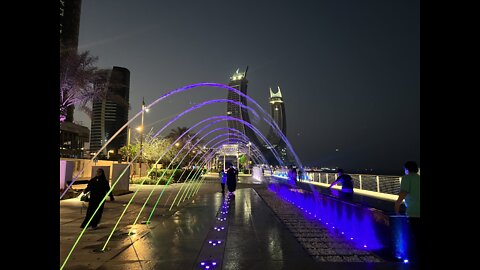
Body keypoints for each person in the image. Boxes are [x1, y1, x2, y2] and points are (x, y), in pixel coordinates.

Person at [395, 161, 421, 264]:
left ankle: (413, 261)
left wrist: (397, 205)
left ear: (407, 169)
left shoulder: (407, 177)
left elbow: (403, 193)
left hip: (414, 212)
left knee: (414, 237)